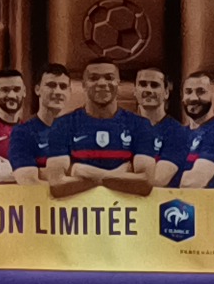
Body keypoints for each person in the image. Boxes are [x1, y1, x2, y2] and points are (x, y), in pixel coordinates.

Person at [44, 54, 142, 195]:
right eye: (94, 78)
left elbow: (145, 183)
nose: (102, 83)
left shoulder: (139, 125)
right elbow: (57, 184)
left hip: (126, 209)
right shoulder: (62, 125)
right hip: (78, 208)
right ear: (83, 84)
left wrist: (79, 170)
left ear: (118, 83)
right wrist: (119, 174)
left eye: (109, 77)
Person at [128, 59, 191, 189]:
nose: (148, 90)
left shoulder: (177, 132)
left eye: (154, 85)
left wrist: (118, 174)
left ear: (166, 93)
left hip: (162, 200)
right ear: (135, 91)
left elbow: (158, 180)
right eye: (143, 84)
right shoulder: (124, 127)